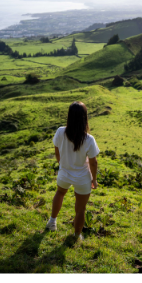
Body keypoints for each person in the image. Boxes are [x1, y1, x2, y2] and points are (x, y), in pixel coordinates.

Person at [46, 101, 99, 242]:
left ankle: (52, 222)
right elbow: (93, 162)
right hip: (82, 177)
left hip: (64, 172)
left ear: (69, 116)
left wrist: (62, 164)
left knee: (60, 193)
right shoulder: (88, 139)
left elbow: (57, 152)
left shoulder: (60, 131)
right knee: (81, 208)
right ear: (84, 117)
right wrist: (94, 179)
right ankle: (76, 235)